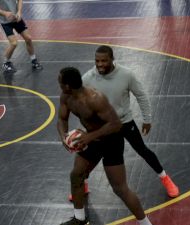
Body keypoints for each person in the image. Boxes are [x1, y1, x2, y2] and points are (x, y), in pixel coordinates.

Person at [77, 45, 179, 200]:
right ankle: (81, 183)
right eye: (97, 61)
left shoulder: (126, 75)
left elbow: (141, 95)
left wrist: (147, 118)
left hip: (124, 123)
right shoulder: (87, 78)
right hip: (102, 127)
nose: (100, 64)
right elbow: (79, 102)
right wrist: (87, 126)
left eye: (104, 61)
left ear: (112, 59)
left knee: (142, 150)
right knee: (91, 156)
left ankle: (165, 178)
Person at [57, 67, 153, 225]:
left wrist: (89, 137)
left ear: (67, 85)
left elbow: (116, 124)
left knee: (120, 189)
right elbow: (62, 119)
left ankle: (145, 224)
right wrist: (64, 137)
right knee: (76, 175)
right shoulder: (66, 97)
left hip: (111, 141)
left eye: (60, 81)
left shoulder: (95, 99)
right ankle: (80, 219)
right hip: (91, 141)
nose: (58, 84)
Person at [0, 0, 42, 72]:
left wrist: (19, 11)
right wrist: (5, 13)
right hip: (5, 22)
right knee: (14, 43)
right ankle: (6, 63)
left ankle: (34, 60)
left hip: (16, 18)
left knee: (28, 38)